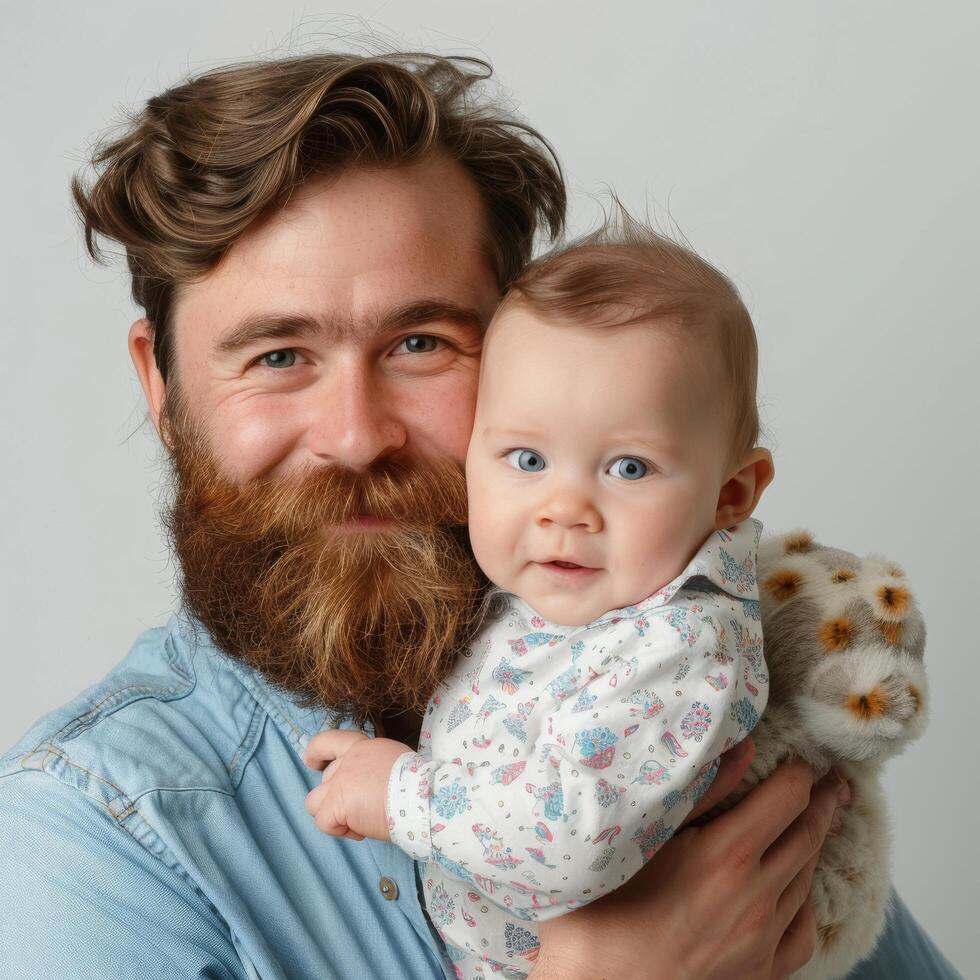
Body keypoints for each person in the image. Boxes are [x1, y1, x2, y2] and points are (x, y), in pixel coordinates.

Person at [0, 51, 958, 979]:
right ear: (159, 387)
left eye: (421, 342)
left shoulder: (688, 683)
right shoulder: (81, 843)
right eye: (277, 356)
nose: (356, 435)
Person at [303, 220, 775, 977]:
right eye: (527, 459)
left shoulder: (681, 648)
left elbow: (569, 839)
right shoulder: (534, 600)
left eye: (628, 468)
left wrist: (400, 793)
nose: (565, 509)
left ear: (731, 493)